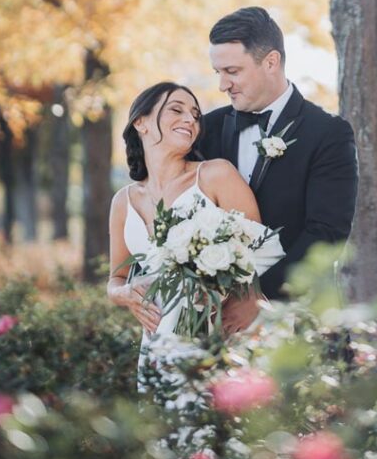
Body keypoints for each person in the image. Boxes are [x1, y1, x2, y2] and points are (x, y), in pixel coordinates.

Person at [200, 6, 358, 329]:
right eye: (218, 72)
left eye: (232, 71)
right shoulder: (207, 128)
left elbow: (326, 234)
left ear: (271, 62)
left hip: (300, 321)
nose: (222, 85)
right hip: (220, 325)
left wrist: (257, 297)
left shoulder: (328, 134)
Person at [107, 81, 274, 351]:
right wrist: (125, 294)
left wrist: (247, 300)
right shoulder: (123, 202)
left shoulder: (216, 175)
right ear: (140, 122)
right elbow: (116, 279)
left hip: (227, 332)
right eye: (176, 109)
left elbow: (263, 247)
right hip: (159, 341)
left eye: (195, 115)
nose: (190, 119)